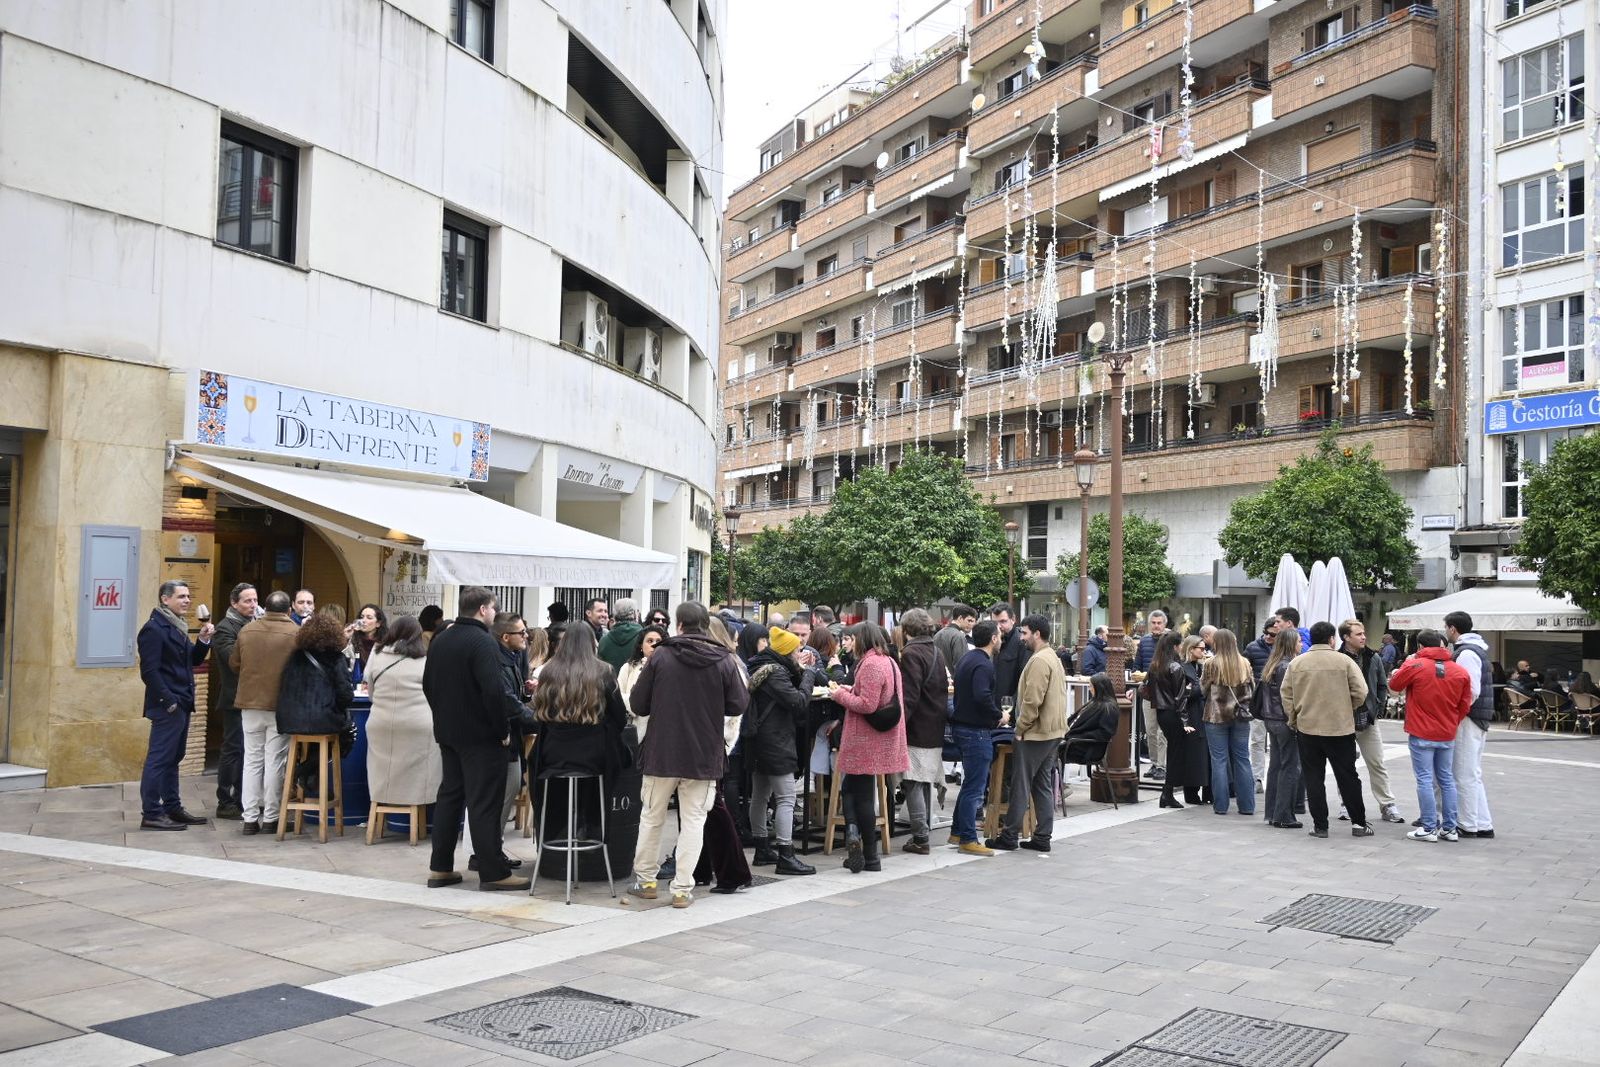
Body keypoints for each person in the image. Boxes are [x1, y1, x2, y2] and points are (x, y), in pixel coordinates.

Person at [629, 602, 749, 909]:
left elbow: (638, 703)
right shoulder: (723, 659)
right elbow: (738, 704)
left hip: (662, 751)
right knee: (694, 820)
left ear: (679, 625)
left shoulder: (661, 656)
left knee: (652, 817)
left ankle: (646, 882)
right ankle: (682, 889)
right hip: (704, 754)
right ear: (705, 626)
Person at [423, 587, 536, 892]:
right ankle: (493, 871)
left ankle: (440, 867)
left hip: (448, 733)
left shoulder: (441, 639)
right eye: (493, 608)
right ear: (484, 609)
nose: (493, 613)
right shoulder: (483, 641)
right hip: (481, 737)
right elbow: (493, 692)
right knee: (484, 803)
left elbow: (428, 684)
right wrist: (502, 731)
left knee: (450, 798)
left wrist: (442, 718)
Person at [529, 620, 629, 863]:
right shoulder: (603, 671)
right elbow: (619, 717)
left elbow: (538, 714)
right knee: (619, 761)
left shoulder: (549, 671)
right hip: (594, 755)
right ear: (592, 643)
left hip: (553, 754)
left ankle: (559, 832)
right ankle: (590, 826)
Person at [828, 623, 910, 873]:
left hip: (867, 739)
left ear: (862, 639)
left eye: (853, 638)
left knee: (861, 795)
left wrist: (839, 696)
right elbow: (874, 695)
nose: (850, 642)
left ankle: (870, 856)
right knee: (851, 788)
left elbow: (867, 704)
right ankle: (854, 836)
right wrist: (848, 689)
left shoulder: (872, 664)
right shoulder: (888, 661)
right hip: (876, 738)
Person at [1281, 620, 1374, 839]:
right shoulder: (1344, 661)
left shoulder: (1297, 663)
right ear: (1332, 639)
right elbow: (1361, 691)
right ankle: (1359, 823)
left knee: (1314, 778)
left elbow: (1286, 695)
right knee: (1348, 776)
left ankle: (1320, 826)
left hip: (1308, 727)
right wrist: (1347, 708)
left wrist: (1294, 718)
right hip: (1339, 728)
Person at [135, 581, 214, 831]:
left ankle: (172, 807)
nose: (187, 600)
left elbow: (192, 660)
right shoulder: (154, 629)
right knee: (159, 759)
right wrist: (169, 702)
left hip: (182, 702)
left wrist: (203, 640)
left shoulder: (176, 626)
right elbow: (149, 671)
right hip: (168, 705)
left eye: (188, 596)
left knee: (173, 758)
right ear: (165, 599)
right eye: (181, 596)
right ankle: (151, 813)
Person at [986, 614, 1066, 852]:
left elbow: (1032, 700)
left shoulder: (1039, 660)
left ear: (1037, 634)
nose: (1021, 637)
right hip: (1051, 731)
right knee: (1041, 784)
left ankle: (1010, 835)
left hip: (1036, 732)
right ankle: (1042, 837)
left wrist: (1020, 728)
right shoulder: (1051, 656)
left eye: (1025, 633)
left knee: (1021, 783)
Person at [742, 626, 816, 876]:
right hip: (775, 741)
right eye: (795, 651)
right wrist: (809, 675)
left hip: (758, 740)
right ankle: (786, 854)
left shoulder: (759, 666)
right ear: (785, 652)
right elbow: (798, 702)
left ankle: (762, 848)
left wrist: (801, 670)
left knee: (760, 796)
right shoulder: (776, 673)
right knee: (786, 798)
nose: (798, 654)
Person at [1389, 630, 1472, 843]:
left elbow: (1395, 685)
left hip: (1421, 730)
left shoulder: (1415, 665)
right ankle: (1450, 828)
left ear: (1419, 646)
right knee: (1446, 779)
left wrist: (1409, 663)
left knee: (1425, 779)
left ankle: (1428, 826)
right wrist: (1452, 722)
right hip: (1447, 732)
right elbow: (1465, 704)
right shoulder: (1460, 671)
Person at [229, 590, 298, 835]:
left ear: (265, 608)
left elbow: (234, 663)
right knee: (275, 762)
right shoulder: (295, 633)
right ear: (289, 610)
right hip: (279, 705)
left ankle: (249, 818)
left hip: (249, 703)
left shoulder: (247, 630)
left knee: (251, 760)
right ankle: (271, 818)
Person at [274, 612, 356, 818]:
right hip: (321, 720)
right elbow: (346, 696)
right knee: (348, 734)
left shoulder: (295, 656)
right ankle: (303, 771)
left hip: (289, 720)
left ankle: (310, 777)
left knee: (314, 741)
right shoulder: (336, 658)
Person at [364, 614, 442, 815]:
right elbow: (435, 696)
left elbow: (370, 693)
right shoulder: (425, 661)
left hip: (379, 724)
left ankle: (376, 816)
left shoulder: (377, 656)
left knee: (381, 774)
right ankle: (416, 814)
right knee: (418, 779)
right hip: (418, 726)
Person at [476, 612, 534, 875]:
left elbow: (514, 698)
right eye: (521, 633)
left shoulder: (511, 658)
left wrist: (527, 694)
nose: (526, 636)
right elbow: (507, 702)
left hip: (511, 737)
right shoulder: (498, 663)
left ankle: (492, 851)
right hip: (502, 739)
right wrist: (537, 719)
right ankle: (488, 854)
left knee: (507, 793)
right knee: (501, 798)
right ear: (506, 636)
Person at [1339, 619, 1404, 825]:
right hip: (1343, 720)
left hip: (1368, 718)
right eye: (1358, 634)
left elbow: (1382, 684)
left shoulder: (1373, 657)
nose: (1363, 637)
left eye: (1364, 633)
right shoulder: (1337, 658)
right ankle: (1346, 803)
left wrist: (1378, 708)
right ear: (1346, 637)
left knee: (1376, 763)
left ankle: (1387, 804)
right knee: (1345, 765)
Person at [949, 620, 1005, 856]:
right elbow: (982, 695)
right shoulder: (983, 664)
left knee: (970, 783)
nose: (1001, 638)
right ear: (993, 638)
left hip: (962, 727)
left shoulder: (967, 659)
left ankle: (957, 831)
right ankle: (968, 839)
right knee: (975, 787)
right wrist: (999, 715)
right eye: (999, 635)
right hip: (976, 731)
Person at [895, 609, 947, 856]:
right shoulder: (936, 651)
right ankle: (923, 832)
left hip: (917, 725)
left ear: (906, 630)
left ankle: (920, 837)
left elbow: (910, 695)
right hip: (935, 722)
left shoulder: (911, 653)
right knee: (923, 780)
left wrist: (898, 725)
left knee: (913, 779)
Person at [1445, 611, 1495, 840]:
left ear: (1453, 628)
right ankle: (1483, 824)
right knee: (1472, 773)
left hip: (1469, 718)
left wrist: (1457, 713)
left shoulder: (1466, 653)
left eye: (1446, 628)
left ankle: (1467, 824)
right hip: (1477, 717)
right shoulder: (1476, 650)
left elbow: (1471, 690)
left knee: (1463, 773)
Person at [210, 581, 258, 821]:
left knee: (248, 751)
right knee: (233, 749)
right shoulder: (225, 628)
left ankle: (243, 799)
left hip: (252, 698)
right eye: (248, 600)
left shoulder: (254, 625)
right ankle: (225, 801)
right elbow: (233, 660)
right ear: (234, 603)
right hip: (233, 698)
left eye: (255, 600)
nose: (253, 605)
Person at [1199, 628, 1256, 816]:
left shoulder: (1211, 663)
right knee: (1242, 759)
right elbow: (1252, 687)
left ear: (1217, 643)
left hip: (1216, 716)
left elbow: (1203, 689)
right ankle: (1247, 806)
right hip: (1240, 716)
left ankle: (1221, 806)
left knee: (1219, 761)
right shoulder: (1244, 663)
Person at [1149, 632, 1202, 809]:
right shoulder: (1175, 667)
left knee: (1173, 752)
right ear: (1175, 647)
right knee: (1175, 754)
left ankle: (1167, 793)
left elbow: (1145, 688)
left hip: (1162, 713)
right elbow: (1180, 699)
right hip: (1174, 713)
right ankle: (1168, 794)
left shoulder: (1156, 665)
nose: (1181, 648)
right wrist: (1185, 722)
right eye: (1180, 645)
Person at [1258, 627, 1303, 829]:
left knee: (1276, 766)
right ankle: (1284, 815)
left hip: (1271, 719)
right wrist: (1294, 720)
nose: (1301, 644)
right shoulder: (1287, 666)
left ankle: (1272, 813)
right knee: (1289, 767)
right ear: (1291, 644)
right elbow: (1290, 697)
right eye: (1299, 641)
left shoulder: (1272, 664)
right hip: (1285, 721)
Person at [1133, 609, 1169, 780]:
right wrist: (1136, 680)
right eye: (1153, 623)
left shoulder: (1171, 640)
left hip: (1166, 692)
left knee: (1163, 731)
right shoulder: (1144, 641)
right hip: (1148, 692)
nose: (1156, 626)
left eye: (1159, 623)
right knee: (1151, 730)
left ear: (1165, 624)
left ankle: (1162, 765)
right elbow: (1137, 666)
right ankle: (1155, 763)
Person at [1061, 674, 1120, 766]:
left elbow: (1104, 733)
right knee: (1048, 746)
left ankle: (1051, 775)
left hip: (1085, 747)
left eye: (1091, 686)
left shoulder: (1108, 708)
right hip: (1075, 741)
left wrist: (1074, 736)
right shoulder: (1094, 702)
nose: (1089, 689)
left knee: (1049, 752)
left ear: (1099, 688)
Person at [618, 626, 668, 728]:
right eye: (650, 641)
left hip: (661, 727)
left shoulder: (669, 668)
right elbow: (618, 696)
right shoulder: (628, 668)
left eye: (658, 641)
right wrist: (634, 703)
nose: (654, 644)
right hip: (635, 726)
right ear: (641, 645)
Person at [989, 603, 1024, 705]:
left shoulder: (1021, 643)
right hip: (992, 706)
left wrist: (1010, 706)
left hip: (1009, 707)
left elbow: (1024, 681)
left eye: (1003, 621)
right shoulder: (991, 641)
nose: (999, 626)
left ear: (1013, 619)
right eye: (995, 623)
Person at [597, 598, 642, 674]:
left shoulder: (604, 640)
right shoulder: (644, 637)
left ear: (615, 615)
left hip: (610, 680)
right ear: (634, 614)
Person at [350, 604, 388, 675]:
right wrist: (345, 638)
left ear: (378, 623)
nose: (363, 620)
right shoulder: (352, 640)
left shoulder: (385, 643)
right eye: (361, 617)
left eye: (369, 618)